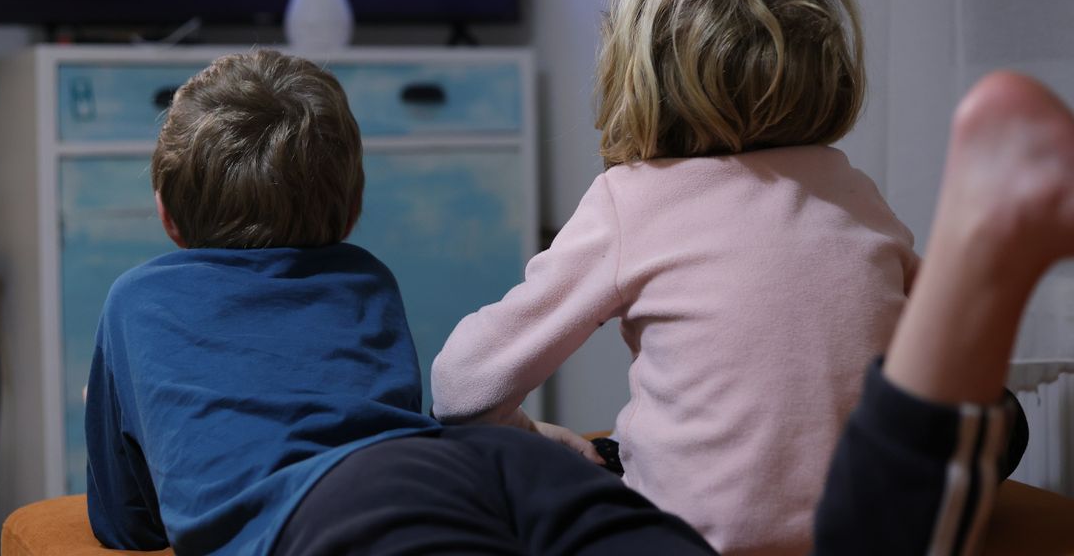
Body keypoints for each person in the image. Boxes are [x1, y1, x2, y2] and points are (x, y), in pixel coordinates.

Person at [85, 47, 1071, 555]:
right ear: (349, 206)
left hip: (346, 514)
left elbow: (129, 521)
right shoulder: (363, 277)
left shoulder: (134, 300)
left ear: (169, 215)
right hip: (490, 462)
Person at [428, 0, 1014, 554]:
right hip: (869, 530)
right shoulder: (851, 189)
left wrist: (525, 431)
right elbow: (948, 353)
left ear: (640, 79)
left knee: (491, 465)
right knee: (999, 415)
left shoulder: (634, 199)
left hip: (684, 539)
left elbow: (462, 387)